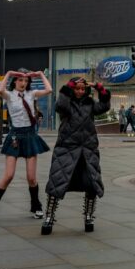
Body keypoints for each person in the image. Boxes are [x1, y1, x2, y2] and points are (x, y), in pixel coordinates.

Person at [41, 77, 110, 235]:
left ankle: (88, 216)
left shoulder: (90, 104)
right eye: (76, 88)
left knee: (92, 183)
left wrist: (100, 88)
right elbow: (60, 105)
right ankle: (49, 217)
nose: (79, 91)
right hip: (66, 148)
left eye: (82, 89)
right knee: (56, 183)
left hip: (87, 149)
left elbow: (104, 106)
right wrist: (67, 87)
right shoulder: (66, 104)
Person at [0, 70, 52, 223]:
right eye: (20, 80)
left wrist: (40, 74)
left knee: (32, 178)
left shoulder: (31, 94)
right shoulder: (9, 95)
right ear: (15, 82)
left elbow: (49, 90)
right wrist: (9, 73)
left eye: (26, 81)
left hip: (30, 135)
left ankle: (36, 206)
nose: (23, 83)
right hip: (14, 136)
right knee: (8, 176)